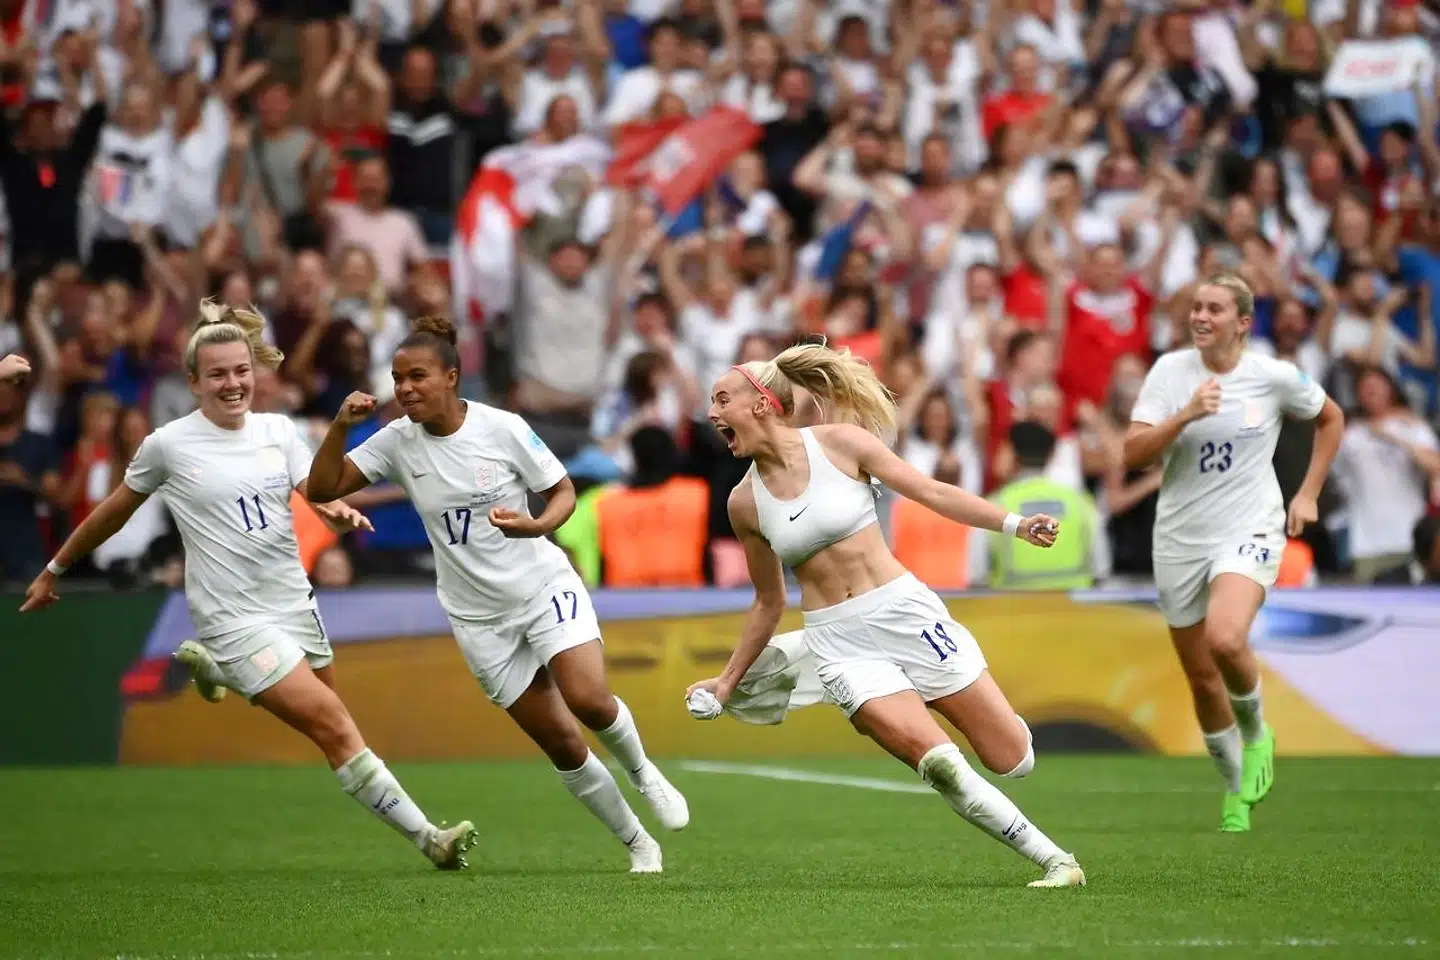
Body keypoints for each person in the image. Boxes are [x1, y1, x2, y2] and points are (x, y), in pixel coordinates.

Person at [20, 302, 477, 870]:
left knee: (333, 721)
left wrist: (334, 510)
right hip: (231, 616)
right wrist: (54, 569)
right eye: (217, 374)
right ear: (193, 382)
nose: (233, 383)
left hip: (292, 600)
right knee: (334, 726)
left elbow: (313, 486)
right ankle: (430, 840)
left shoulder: (276, 430)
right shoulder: (169, 445)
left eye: (241, 370)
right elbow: (112, 512)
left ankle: (220, 673)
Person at [686, 342, 1086, 888]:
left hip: (904, 612)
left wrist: (1014, 524)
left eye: (722, 399)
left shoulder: (841, 444)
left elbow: (930, 492)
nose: (711, 413)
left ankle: (973, 710)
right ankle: (1057, 862)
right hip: (839, 645)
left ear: (760, 403)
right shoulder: (743, 504)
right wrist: (730, 681)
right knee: (942, 765)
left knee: (1011, 757)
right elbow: (768, 602)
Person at [305, 316, 689, 875]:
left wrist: (536, 527)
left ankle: (644, 773)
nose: (405, 388)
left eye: (417, 376)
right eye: (397, 378)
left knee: (588, 700)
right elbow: (321, 488)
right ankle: (638, 843)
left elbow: (560, 492)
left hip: (540, 586)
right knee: (560, 741)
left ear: (452, 377)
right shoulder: (395, 442)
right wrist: (340, 427)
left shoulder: (501, 427)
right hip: (478, 618)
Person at [1123, 274, 1344, 833]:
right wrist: (1185, 415)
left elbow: (1331, 418)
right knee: (1200, 675)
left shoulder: (1270, 376)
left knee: (1225, 637)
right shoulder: (1171, 373)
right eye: (1196, 307)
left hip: (1248, 527)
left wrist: (1309, 492)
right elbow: (1133, 455)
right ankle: (1235, 793)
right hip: (1179, 536)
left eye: (1214, 309)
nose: (1200, 316)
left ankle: (1258, 733)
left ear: (1243, 322)